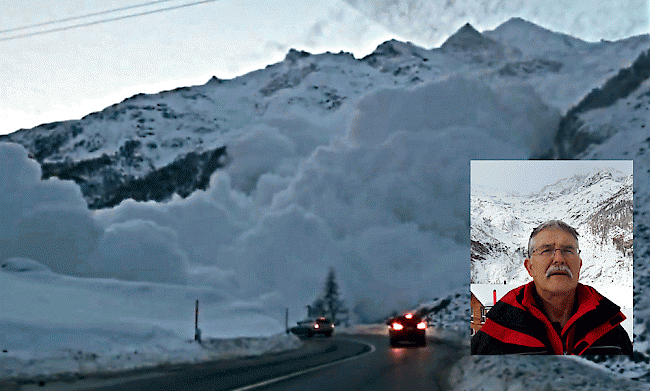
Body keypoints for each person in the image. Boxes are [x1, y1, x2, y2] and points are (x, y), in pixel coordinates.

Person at [471, 220, 632, 355]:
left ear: (579, 266)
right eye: (546, 250)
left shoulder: (611, 332)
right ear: (530, 267)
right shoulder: (495, 334)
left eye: (568, 250)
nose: (559, 259)